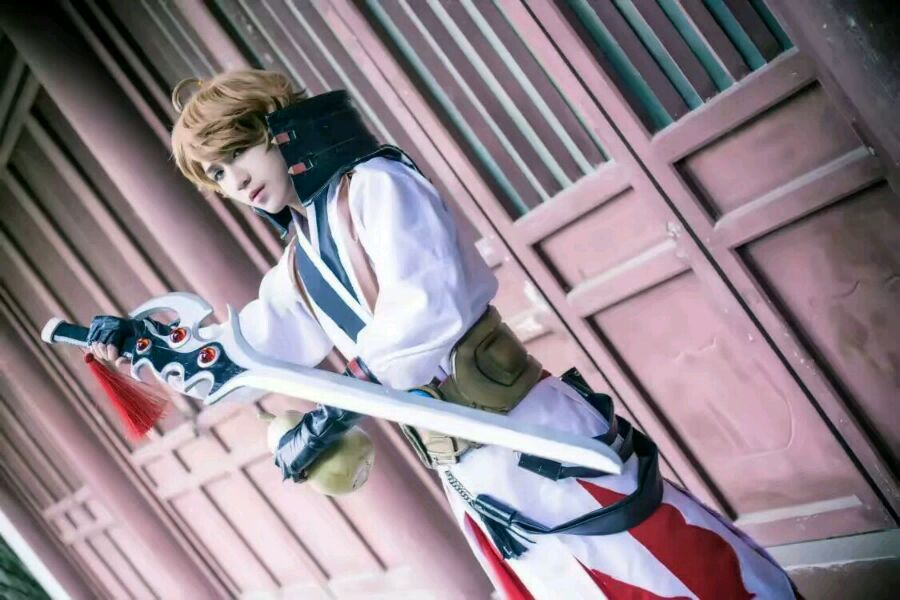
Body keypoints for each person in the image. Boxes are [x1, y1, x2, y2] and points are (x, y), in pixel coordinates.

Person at [87, 69, 799, 599]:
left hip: (525, 427)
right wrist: (153, 350)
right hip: (464, 463)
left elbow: (423, 312)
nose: (234, 181)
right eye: (216, 174)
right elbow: (253, 354)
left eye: (236, 152)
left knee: (657, 564)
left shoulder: (375, 182)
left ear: (276, 125)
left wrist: (344, 398)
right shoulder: (301, 258)